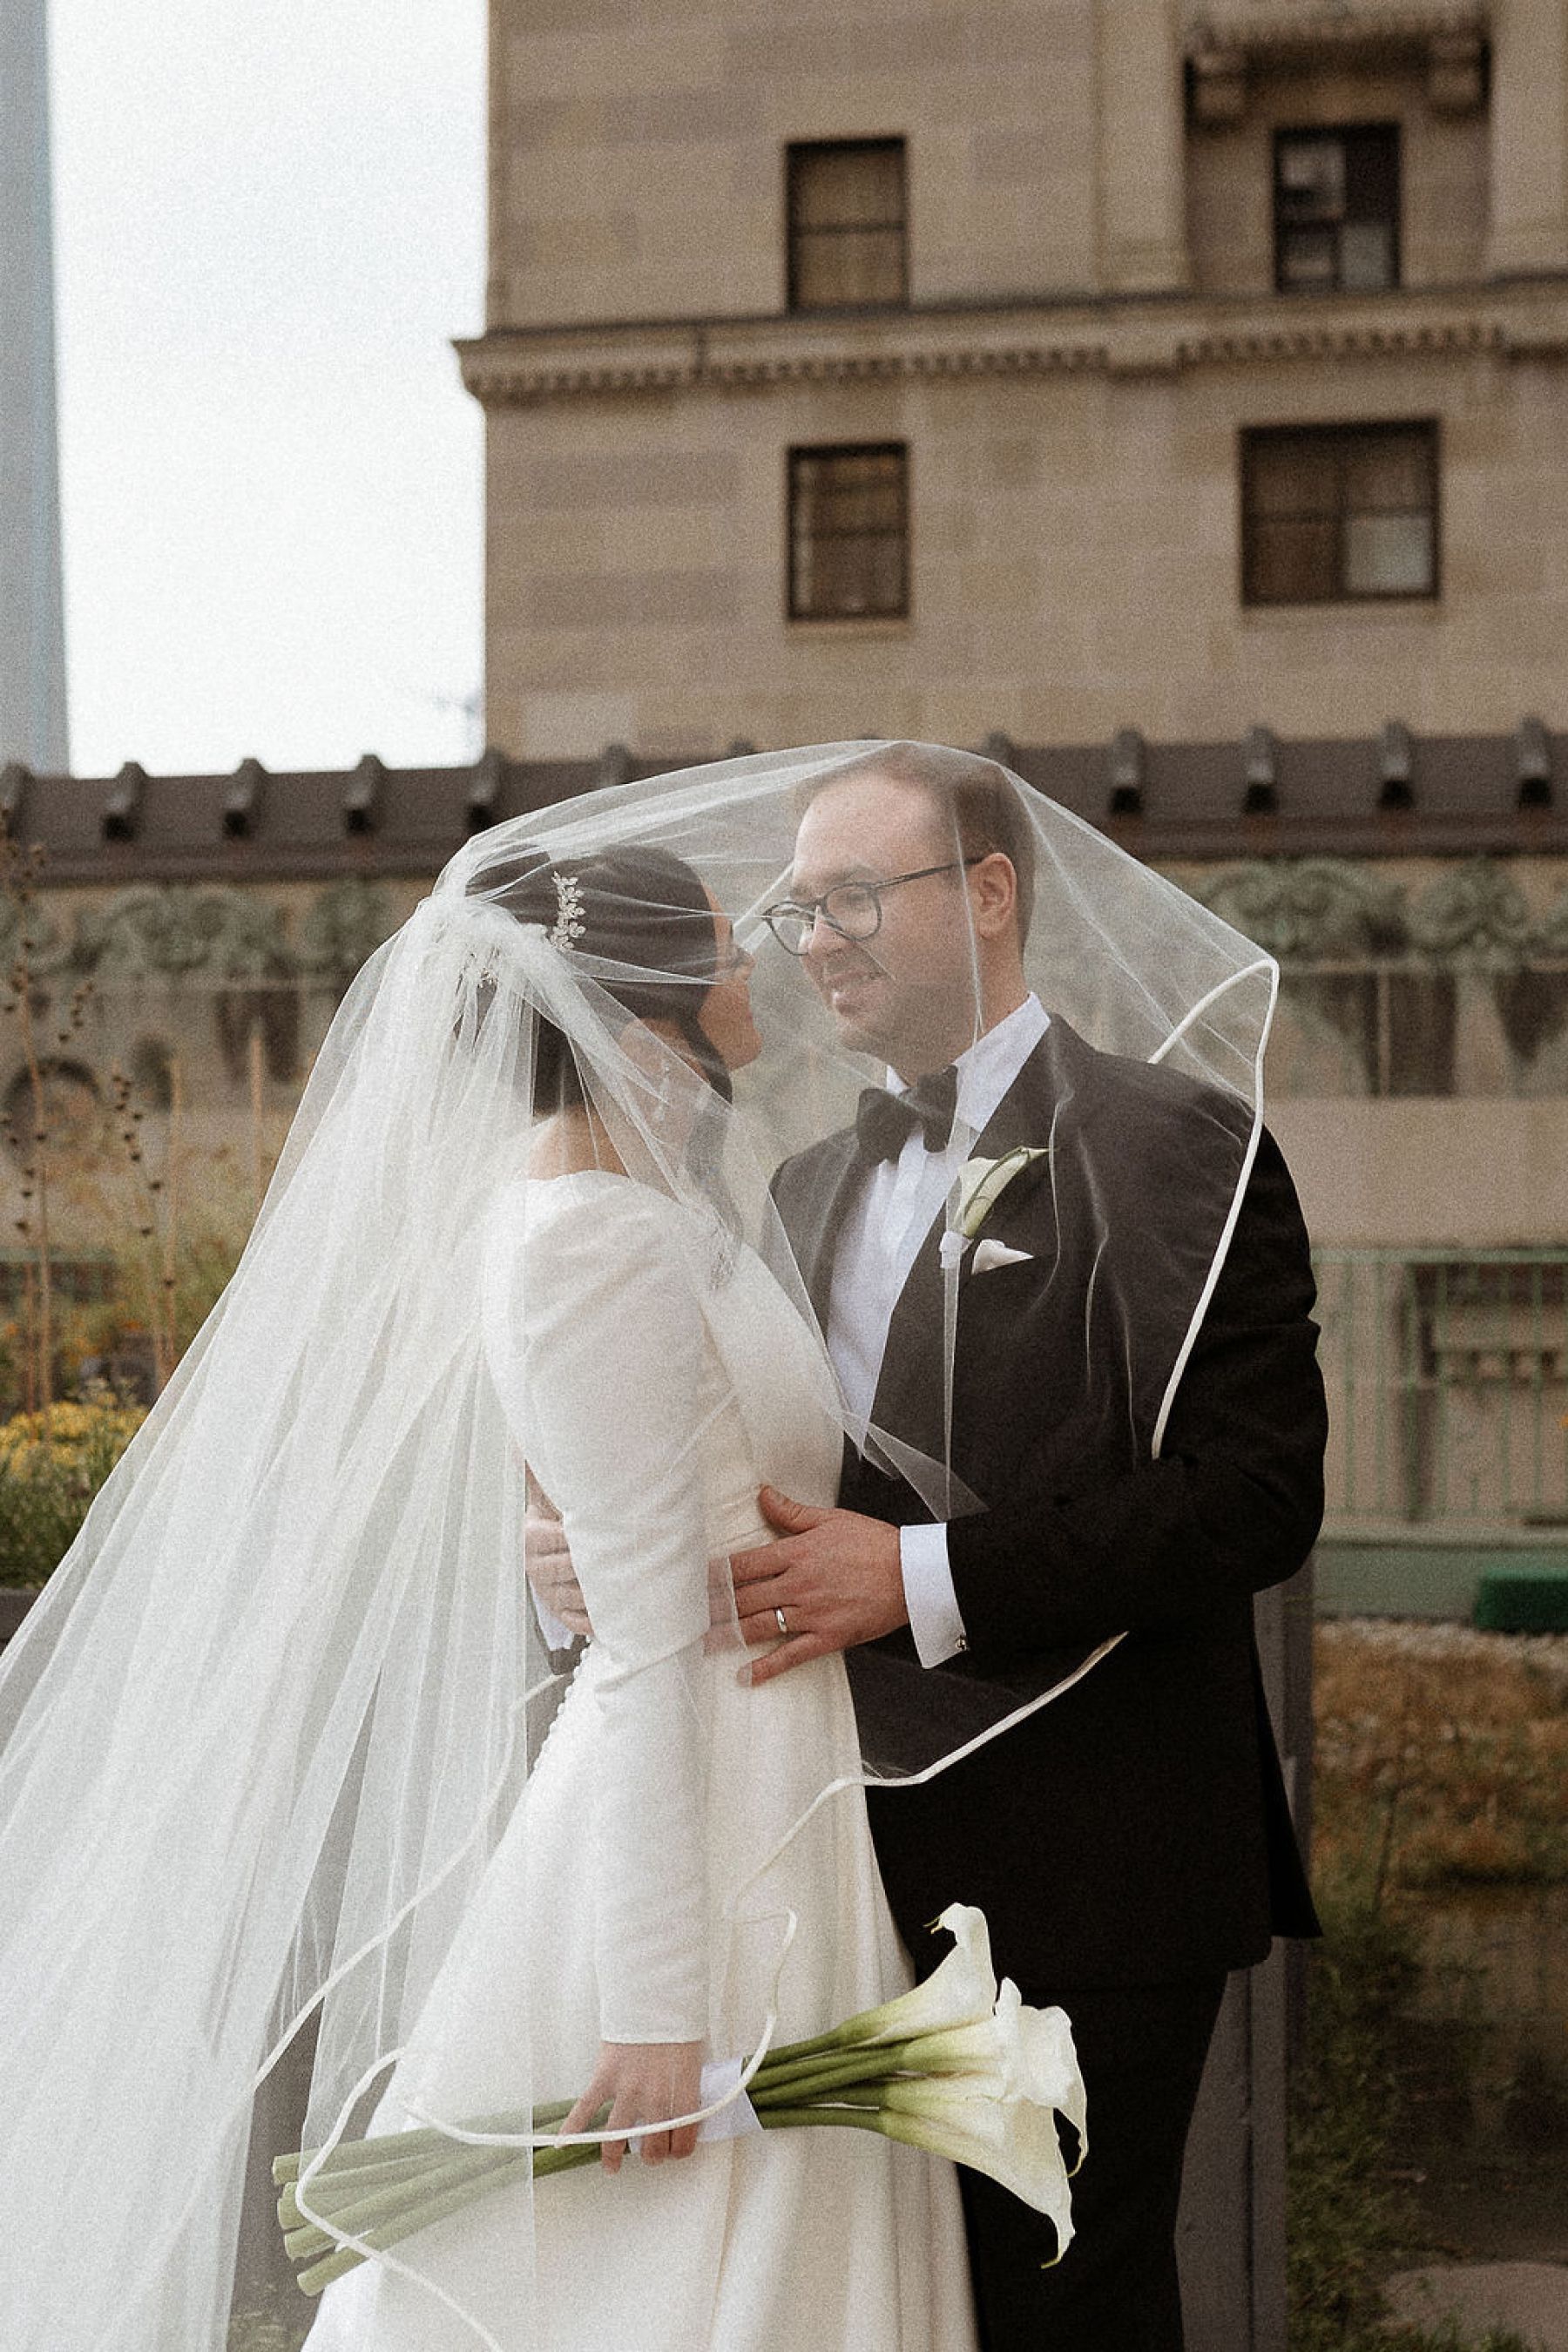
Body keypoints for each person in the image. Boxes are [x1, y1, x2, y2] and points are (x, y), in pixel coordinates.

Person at [0, 823, 982, 2351]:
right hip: (696, 1820)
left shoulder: (645, 1204)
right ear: (643, 992)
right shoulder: (583, 1235)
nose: (750, 966)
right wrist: (655, 2010)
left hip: (771, 1775)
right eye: (722, 943)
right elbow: (650, 1643)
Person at [729, 743, 1328, 2350]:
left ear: (989, 894)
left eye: (857, 894)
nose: (822, 939)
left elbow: (1256, 1494)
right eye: (802, 910)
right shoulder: (802, 1190)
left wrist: (917, 1578)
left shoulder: (1178, 1152)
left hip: (1101, 1857)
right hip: (844, 1862)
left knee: (1065, 2309)